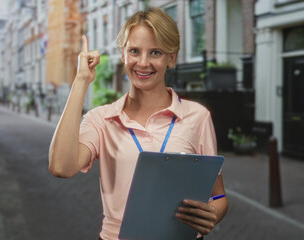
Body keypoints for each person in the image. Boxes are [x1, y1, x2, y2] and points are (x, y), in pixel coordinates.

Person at [49, 7, 228, 240]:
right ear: (123, 55)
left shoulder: (198, 117)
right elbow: (61, 167)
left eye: (155, 53)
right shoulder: (101, 119)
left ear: (171, 58)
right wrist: (81, 82)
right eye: (134, 51)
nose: (143, 63)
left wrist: (213, 213)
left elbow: (218, 196)